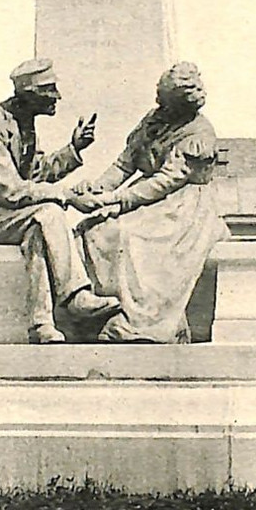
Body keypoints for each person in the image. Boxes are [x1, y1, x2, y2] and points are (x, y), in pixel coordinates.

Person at [0, 58, 120, 344]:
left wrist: (74, 149)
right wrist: (67, 197)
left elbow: (37, 173)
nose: (57, 96)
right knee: (48, 211)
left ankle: (41, 324)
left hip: (4, 214)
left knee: (39, 229)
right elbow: (11, 190)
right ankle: (75, 296)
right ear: (29, 95)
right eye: (50, 90)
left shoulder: (23, 124)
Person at [76, 62, 230, 343]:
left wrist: (114, 200)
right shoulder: (154, 119)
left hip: (183, 205)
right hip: (145, 197)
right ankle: (104, 310)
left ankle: (141, 320)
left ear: (180, 105)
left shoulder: (199, 133)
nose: (158, 102)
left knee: (132, 236)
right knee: (95, 229)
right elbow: (125, 164)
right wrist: (96, 188)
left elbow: (166, 181)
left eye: (165, 100)